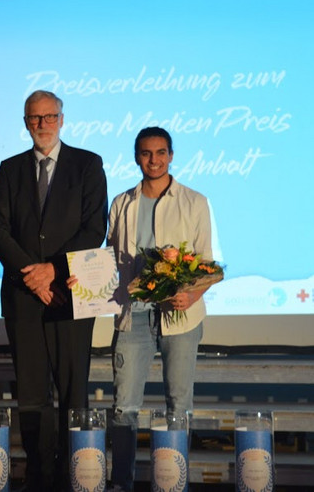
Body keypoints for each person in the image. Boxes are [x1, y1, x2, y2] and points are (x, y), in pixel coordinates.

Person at [0, 90, 108, 491]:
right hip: (24, 299)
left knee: (74, 392)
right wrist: (31, 276)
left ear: (62, 118)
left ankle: (75, 473)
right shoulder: (9, 168)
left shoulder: (88, 164)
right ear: (26, 123)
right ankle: (38, 474)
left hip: (70, 295)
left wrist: (52, 271)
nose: (42, 124)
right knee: (32, 394)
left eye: (49, 116)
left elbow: (95, 229)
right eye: (34, 118)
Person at [106, 127, 213, 491]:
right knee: (124, 407)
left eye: (161, 153)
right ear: (137, 157)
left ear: (171, 155)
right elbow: (109, 259)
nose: (154, 160)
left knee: (178, 405)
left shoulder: (194, 201)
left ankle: (173, 482)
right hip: (133, 313)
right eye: (146, 153)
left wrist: (192, 296)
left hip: (180, 315)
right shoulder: (122, 202)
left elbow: (208, 265)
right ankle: (122, 482)